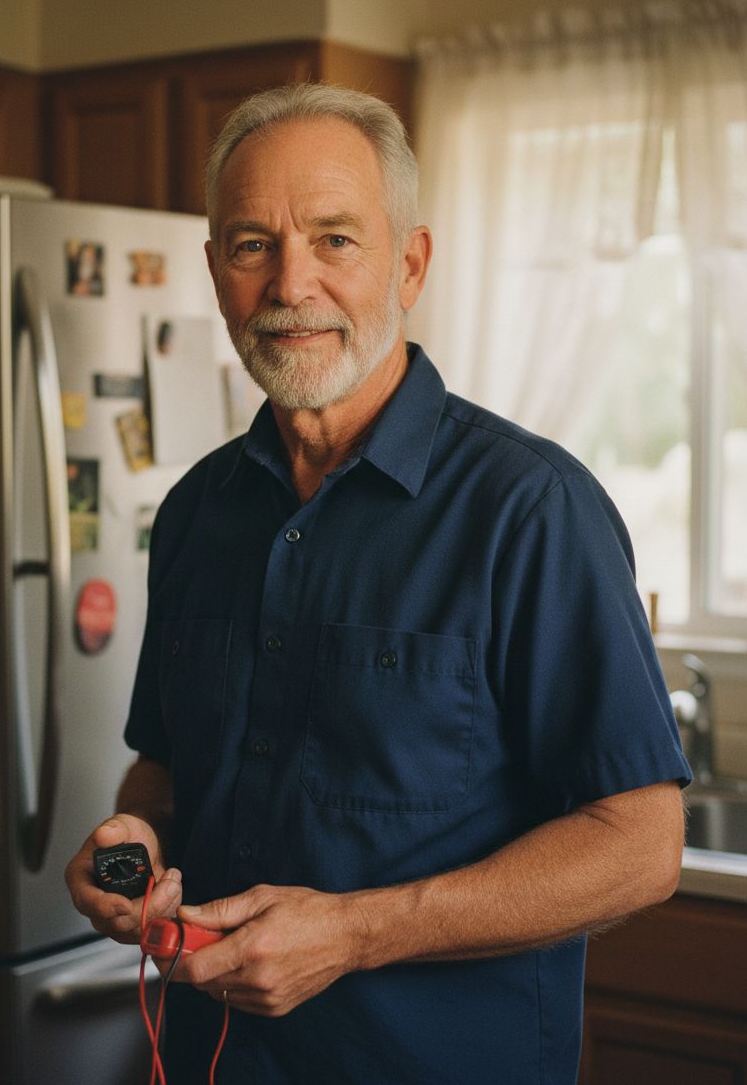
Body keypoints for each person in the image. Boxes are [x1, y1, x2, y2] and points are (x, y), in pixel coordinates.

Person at [65, 83, 690, 1084]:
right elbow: (166, 766)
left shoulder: (532, 509)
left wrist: (355, 933)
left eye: (335, 240)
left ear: (409, 263)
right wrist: (135, 839)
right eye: (252, 245)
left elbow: (640, 845)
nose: (290, 283)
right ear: (216, 274)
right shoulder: (192, 513)